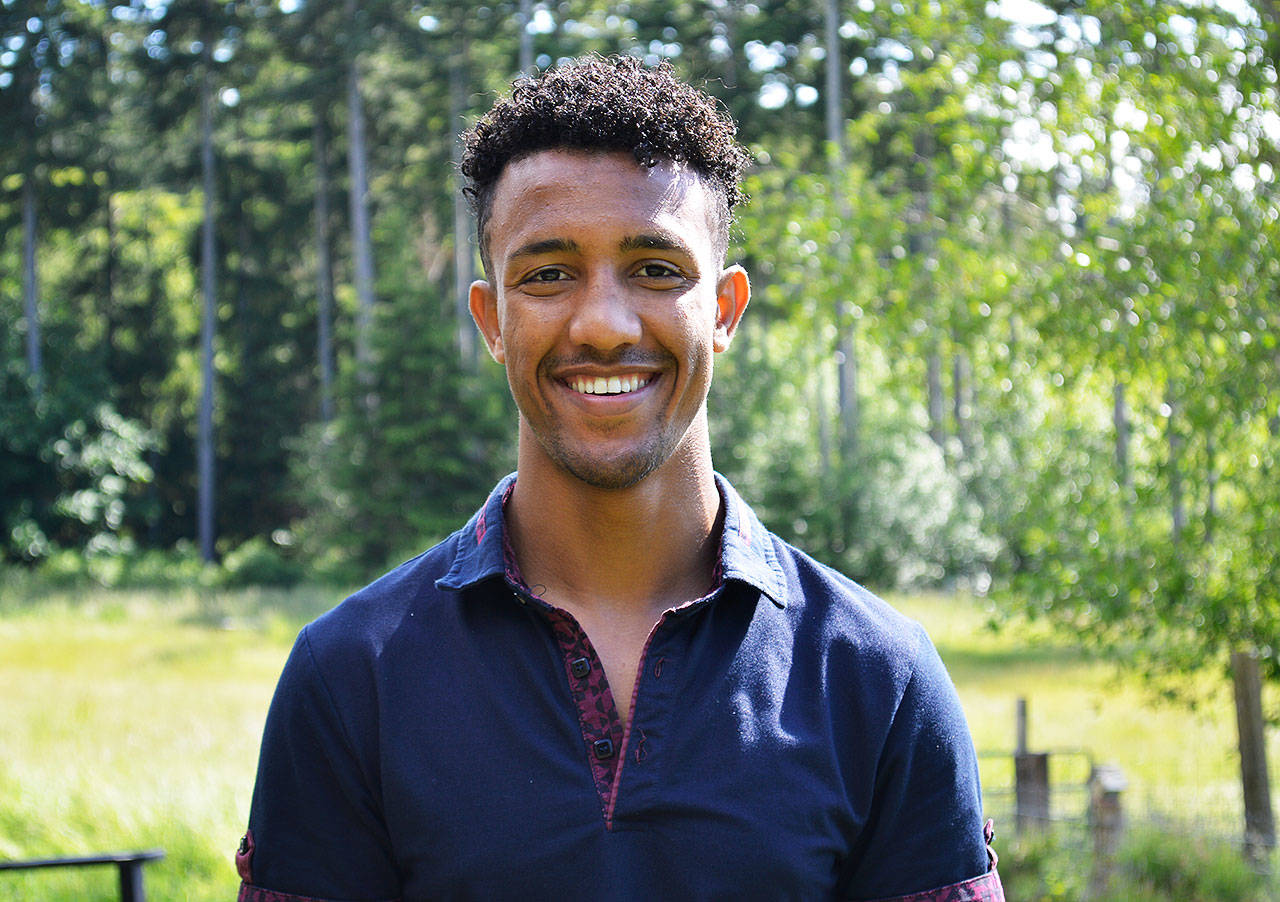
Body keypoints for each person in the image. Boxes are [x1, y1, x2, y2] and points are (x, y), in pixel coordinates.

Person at [237, 55, 1004, 902]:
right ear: (492, 320)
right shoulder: (350, 678)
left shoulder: (880, 679)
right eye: (549, 274)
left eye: (656, 269)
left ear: (724, 311)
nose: (603, 324)